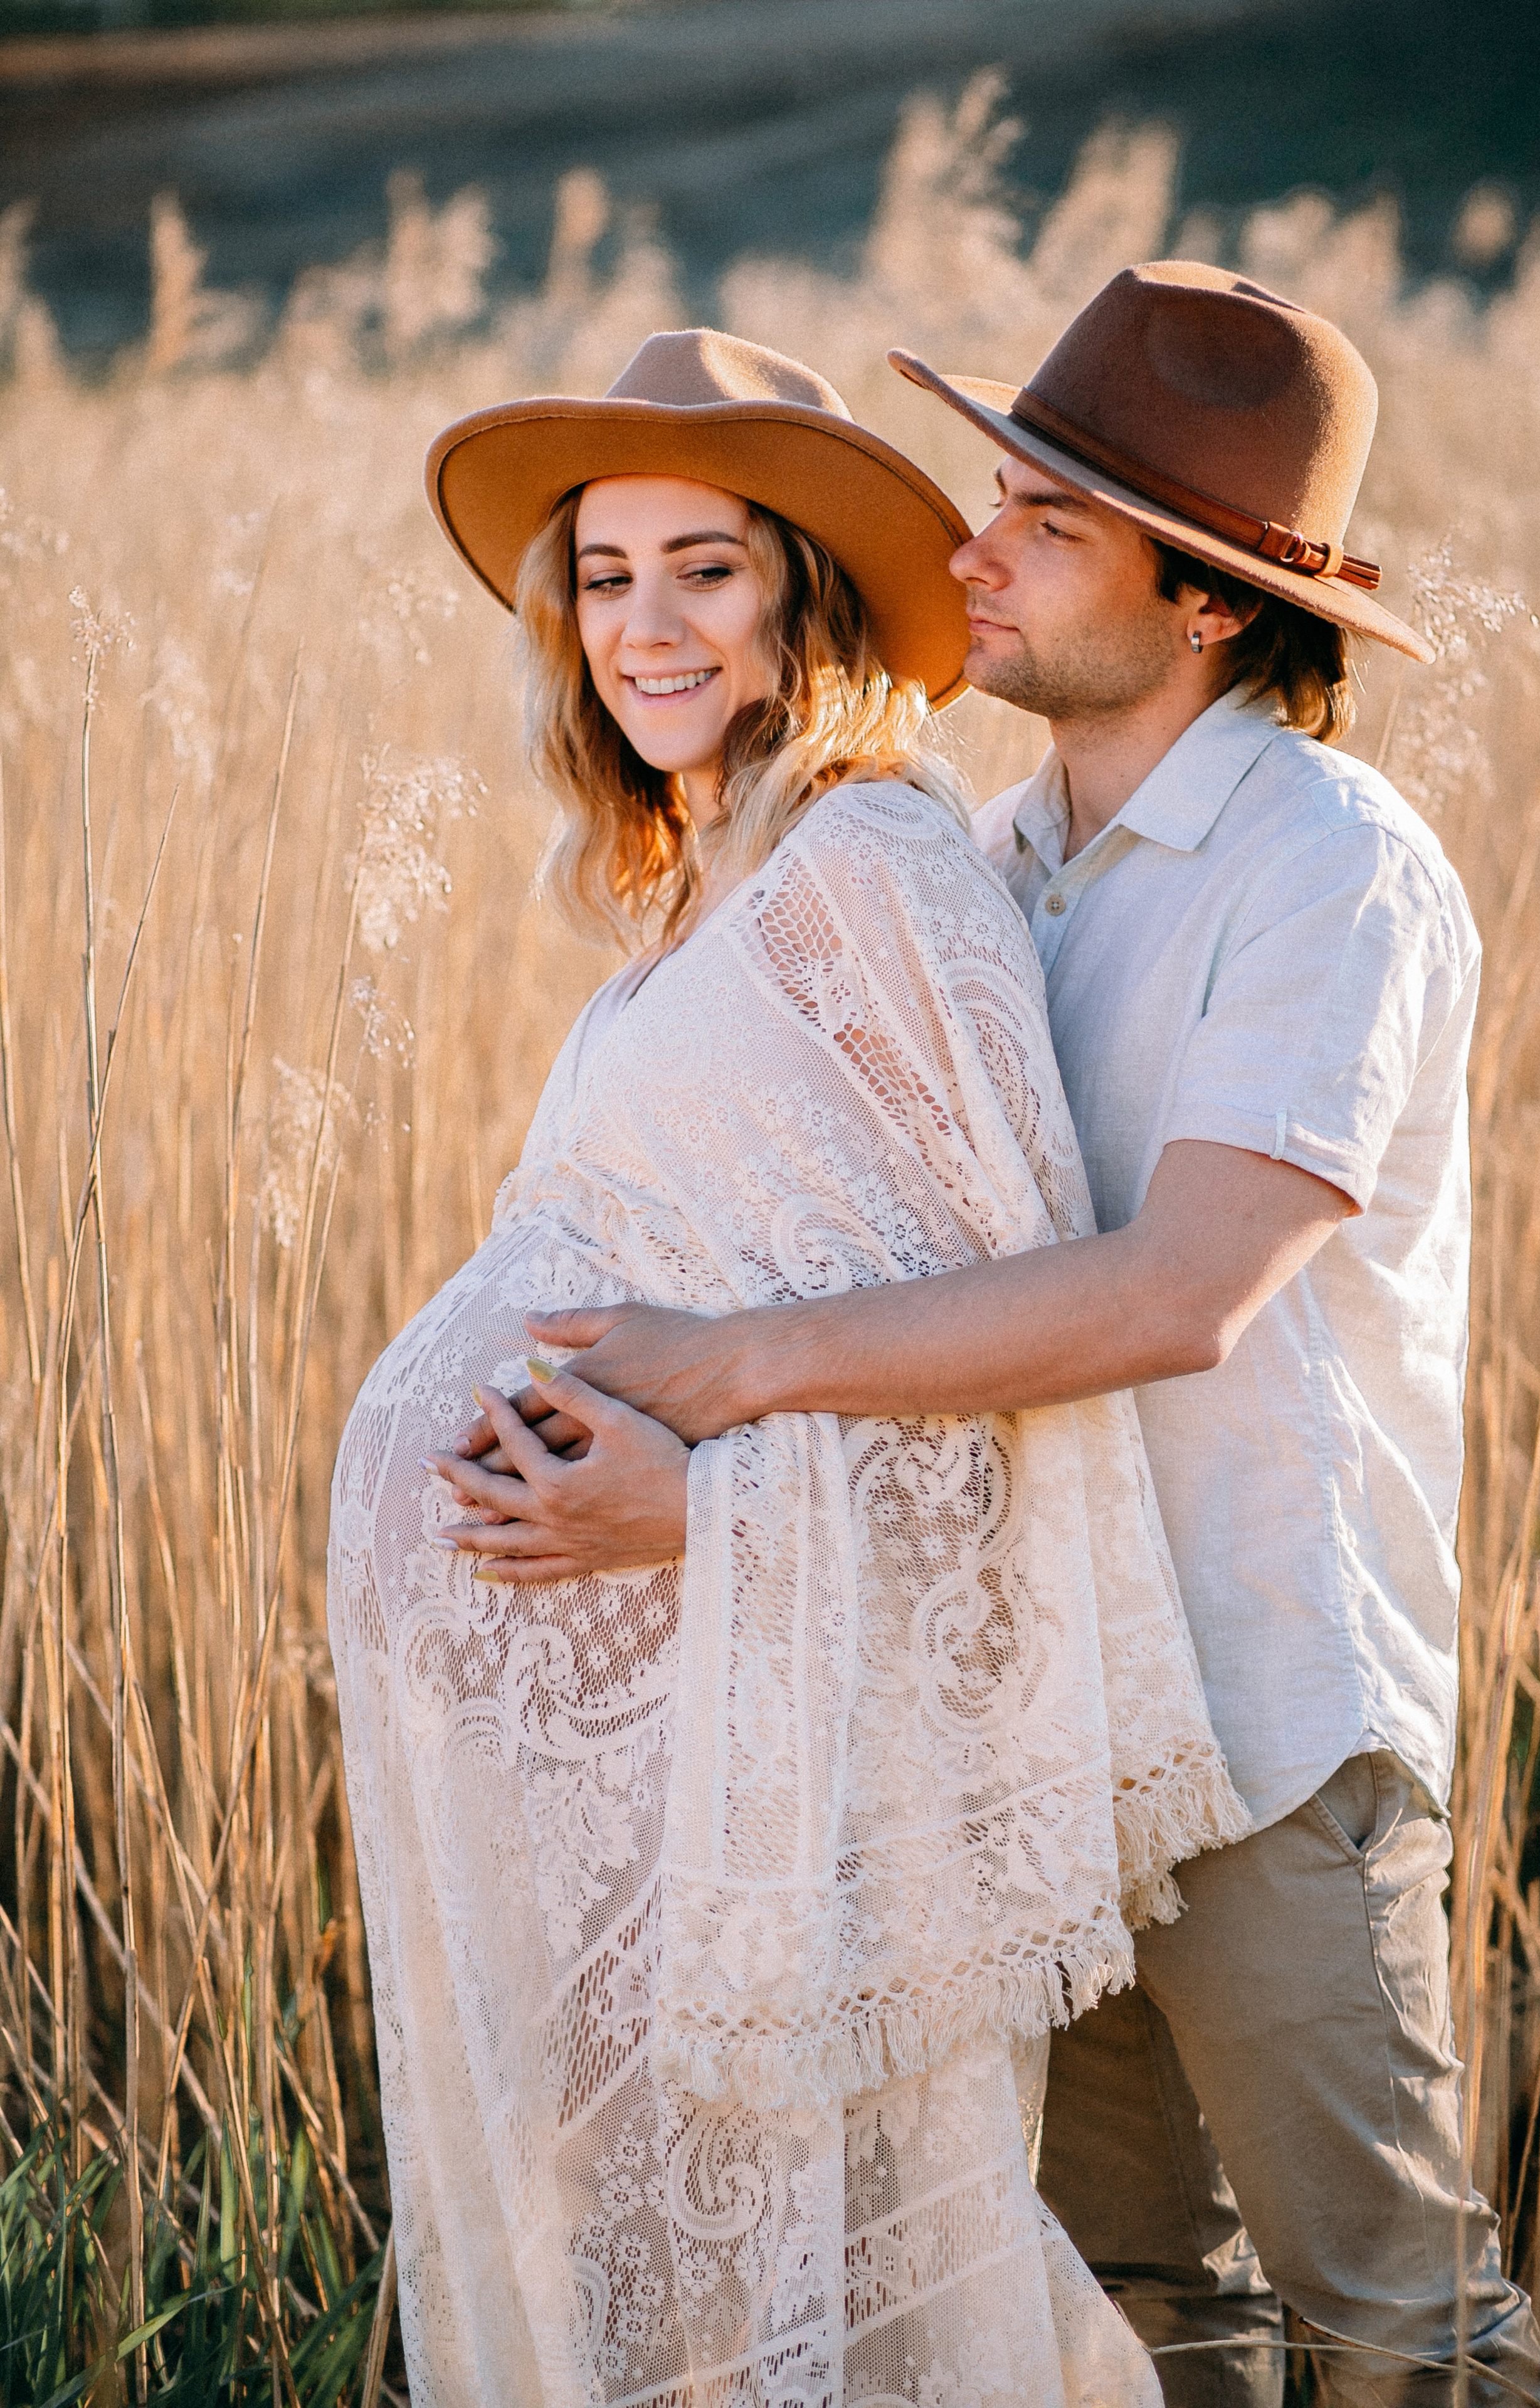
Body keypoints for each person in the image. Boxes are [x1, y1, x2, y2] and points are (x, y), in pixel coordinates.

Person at [456, 270, 1540, 2408]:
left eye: (1044, 521)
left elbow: (1182, 1292)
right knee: (1153, 2312)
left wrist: (736, 1374)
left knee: (1399, 2324)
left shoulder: (1326, 866)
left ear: (1213, 601)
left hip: (1257, 1704)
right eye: (995, 496)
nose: (971, 553)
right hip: (1030, 1706)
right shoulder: (984, 859)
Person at [327, 326, 1248, 2408]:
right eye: (606, 572)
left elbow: (1027, 1383)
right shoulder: (700, 897)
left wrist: (708, 1500)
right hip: (638, 1768)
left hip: (761, 1753)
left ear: (805, 595)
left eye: (707, 568)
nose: (643, 622)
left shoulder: (871, 873)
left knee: (813, 2321)